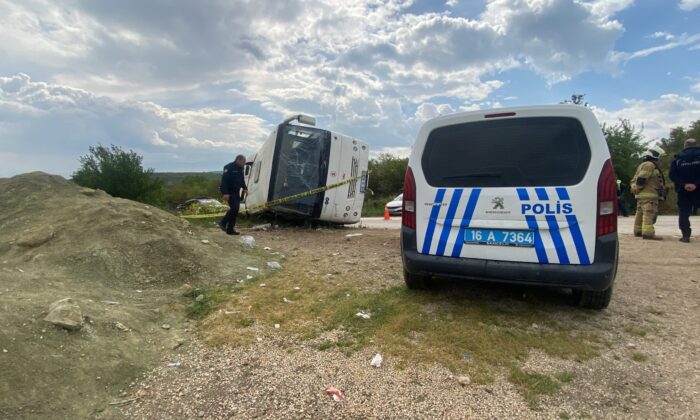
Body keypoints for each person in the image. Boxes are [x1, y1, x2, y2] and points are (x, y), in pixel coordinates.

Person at [631, 145, 666, 240]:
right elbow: (642, 179)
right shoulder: (649, 165)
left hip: (642, 195)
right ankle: (648, 233)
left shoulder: (643, 164)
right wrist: (637, 188)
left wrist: (635, 189)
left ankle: (638, 231)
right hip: (649, 195)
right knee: (649, 213)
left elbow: (635, 179)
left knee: (640, 213)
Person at [669, 138, 700, 243]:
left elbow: (672, 175)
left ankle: (686, 236)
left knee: (684, 213)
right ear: (695, 145)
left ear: (685, 145)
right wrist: (695, 184)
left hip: (683, 190)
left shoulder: (677, 159)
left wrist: (684, 184)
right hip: (699, 189)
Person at [219, 154, 248, 235]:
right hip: (229, 192)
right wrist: (225, 193)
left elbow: (242, 179)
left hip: (236, 191)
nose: (244, 163)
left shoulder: (241, 168)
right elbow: (224, 181)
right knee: (235, 207)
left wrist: (245, 188)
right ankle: (223, 222)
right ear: (238, 160)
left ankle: (230, 229)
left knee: (235, 210)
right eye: (243, 162)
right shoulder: (228, 167)